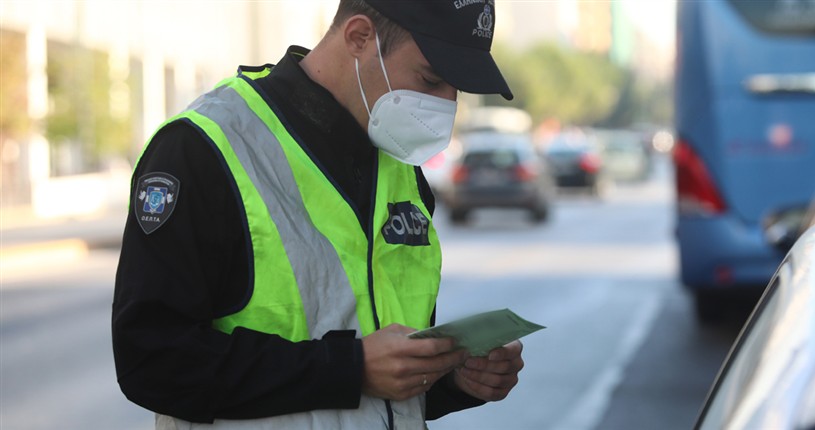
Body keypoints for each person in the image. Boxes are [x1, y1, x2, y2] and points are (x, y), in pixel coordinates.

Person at [111, 1, 523, 428]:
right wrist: (351, 368)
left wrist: (451, 377)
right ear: (359, 37)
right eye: (432, 79)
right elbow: (151, 362)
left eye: (455, 87)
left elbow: (379, 378)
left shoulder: (399, 167)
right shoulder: (205, 148)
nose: (447, 104)